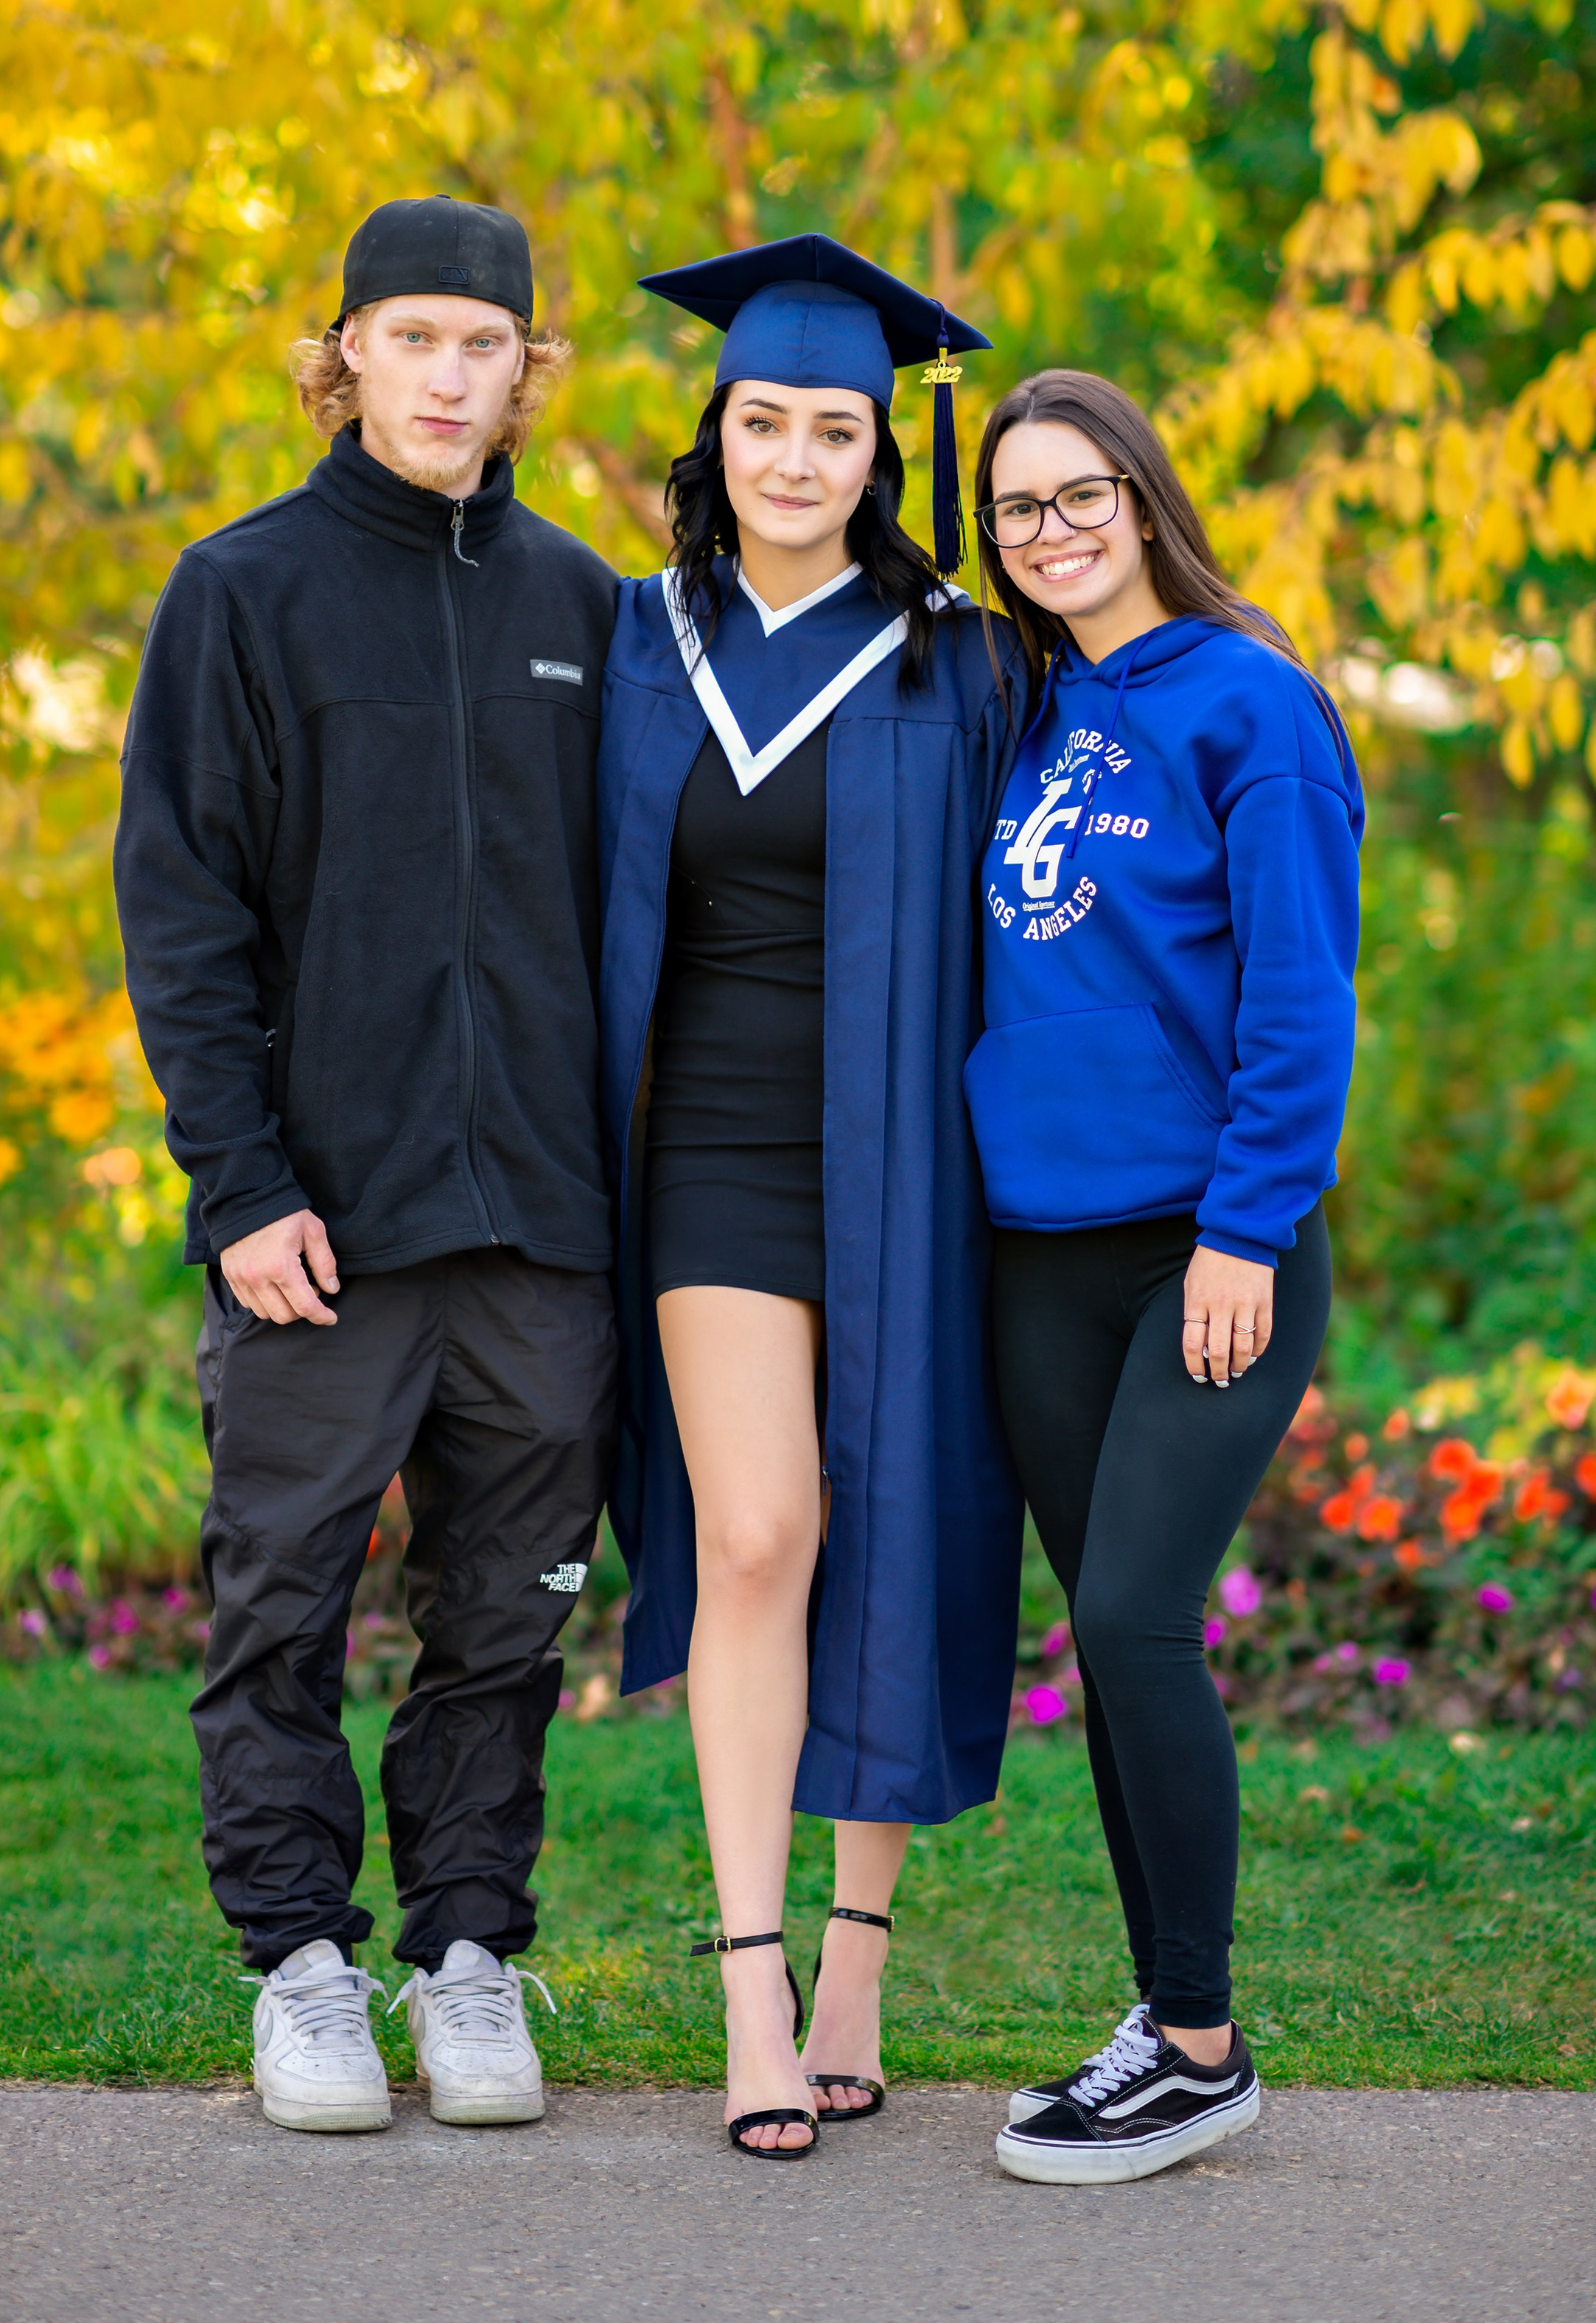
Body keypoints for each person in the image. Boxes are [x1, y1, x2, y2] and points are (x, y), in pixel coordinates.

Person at [115, 196, 620, 2136]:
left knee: (510, 1614)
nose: (444, 373)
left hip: (541, 1227)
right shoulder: (242, 589)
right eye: (408, 336)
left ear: (522, 371)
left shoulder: (584, 609)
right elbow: (184, 907)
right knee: (284, 1607)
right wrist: (239, 1183)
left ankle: (468, 1950)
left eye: (480, 343)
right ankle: (300, 1963)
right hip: (319, 1228)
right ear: (345, 357)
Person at [598, 236, 1023, 2158]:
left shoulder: (964, 655)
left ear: (878, 447)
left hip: (910, 1160)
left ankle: (860, 1951)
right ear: (719, 432)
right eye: (761, 419)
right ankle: (751, 1983)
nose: (794, 454)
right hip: (712, 1155)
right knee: (760, 1529)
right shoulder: (629, 639)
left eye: (834, 427)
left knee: (891, 1522)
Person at [963, 368, 1363, 2187]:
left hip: (1204, 1245)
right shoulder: (1022, 711)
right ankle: (1163, 2018)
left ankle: (1199, 2049)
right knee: (1108, 1652)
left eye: (1075, 496)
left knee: (1132, 1617)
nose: (1047, 534)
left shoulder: (1246, 703)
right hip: (1038, 1251)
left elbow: (1298, 994)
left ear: (1139, 494)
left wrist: (1244, 1225)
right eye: (1015, 511)